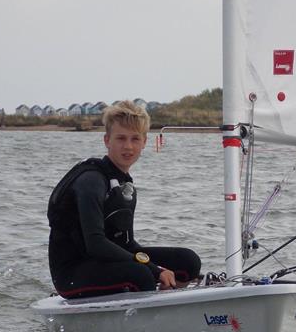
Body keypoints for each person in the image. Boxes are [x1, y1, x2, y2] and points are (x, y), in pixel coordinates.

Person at [47, 100, 201, 299]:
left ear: (144, 142)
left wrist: (157, 268)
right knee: (141, 275)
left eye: (135, 139)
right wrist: (155, 270)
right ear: (107, 140)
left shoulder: (124, 185)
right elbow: (95, 244)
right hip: (72, 273)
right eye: (120, 138)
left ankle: (171, 298)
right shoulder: (91, 181)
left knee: (188, 261)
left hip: (106, 263)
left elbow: (127, 245)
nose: (128, 147)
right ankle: (150, 309)